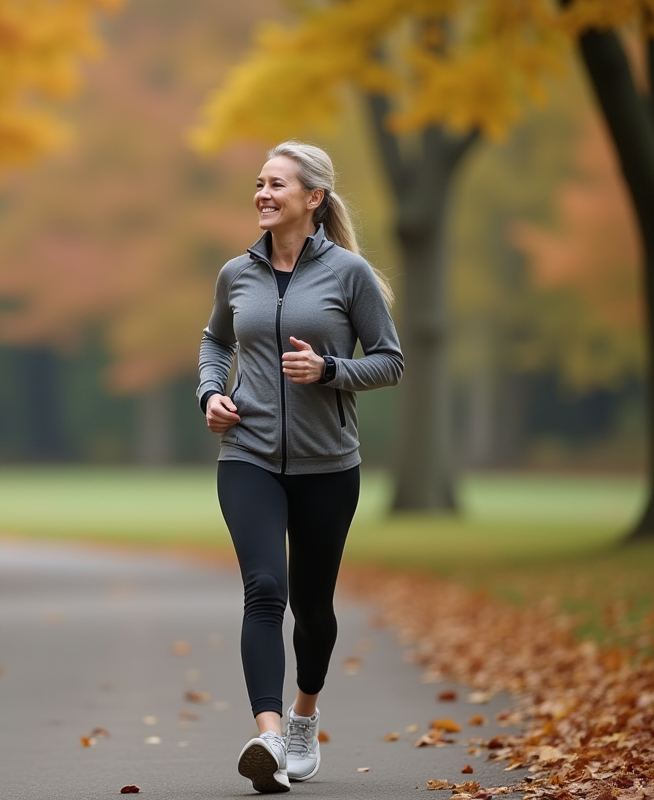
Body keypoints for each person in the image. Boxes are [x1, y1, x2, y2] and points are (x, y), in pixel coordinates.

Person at [196, 140, 403, 793]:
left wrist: (330, 370)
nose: (262, 193)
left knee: (313, 608)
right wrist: (211, 393)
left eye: (277, 184)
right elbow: (214, 340)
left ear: (313, 198)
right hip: (248, 455)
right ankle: (268, 737)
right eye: (259, 182)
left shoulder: (349, 275)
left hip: (327, 465)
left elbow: (390, 360)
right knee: (265, 591)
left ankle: (303, 719)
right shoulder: (238, 273)